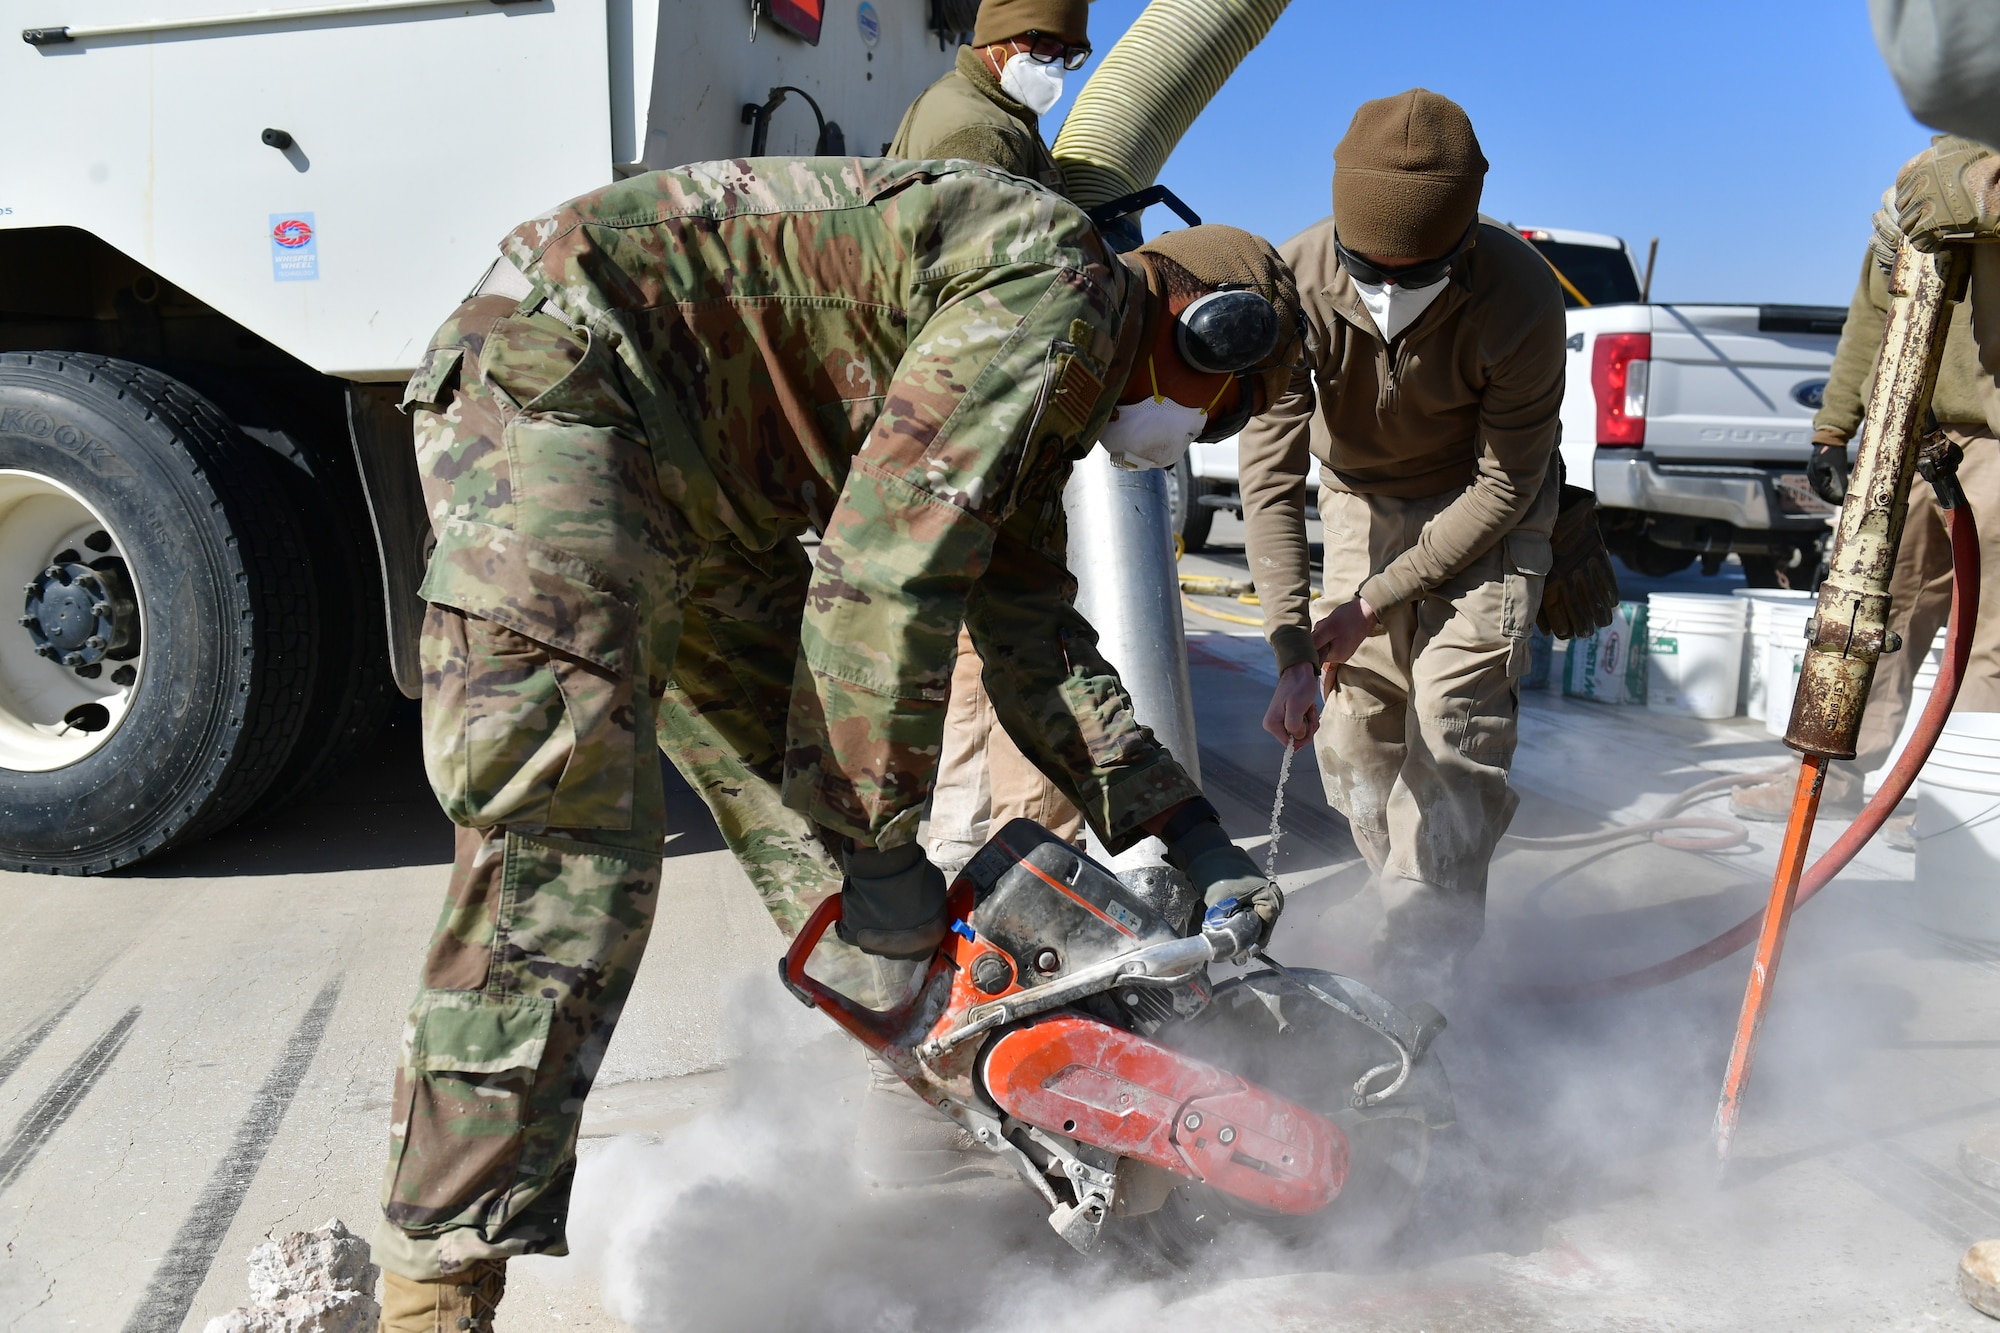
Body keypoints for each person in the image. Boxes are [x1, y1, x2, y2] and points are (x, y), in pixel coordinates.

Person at [373, 156, 1300, 1329]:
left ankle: (1046, 1127)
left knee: (850, 885)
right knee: (566, 854)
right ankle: (436, 1289)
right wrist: (880, 849)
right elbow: (880, 581)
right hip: (565, 397)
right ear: (1208, 338)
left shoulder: (1049, 367)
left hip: (698, 480)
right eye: (1226, 408)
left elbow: (1026, 632)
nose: (1190, 436)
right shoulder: (1055, 293)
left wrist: (1182, 824)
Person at [1240, 89, 1568, 997]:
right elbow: (1268, 477)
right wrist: (1291, 647)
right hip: (1359, 495)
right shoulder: (1294, 283)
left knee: (1451, 722)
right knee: (1354, 734)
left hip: (1489, 500)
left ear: (1460, 246)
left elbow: (1505, 484)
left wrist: (1374, 600)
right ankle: (1406, 903)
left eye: (1413, 272)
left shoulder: (1524, 298)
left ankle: (1422, 976)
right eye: (1367, 270)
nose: (1387, 295)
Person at [889, 0, 1095, 872]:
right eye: (1044, 48)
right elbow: (985, 307)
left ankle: (961, 854)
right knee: (1011, 642)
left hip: (952, 424)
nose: (1053, 65)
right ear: (1001, 40)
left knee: (972, 653)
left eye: (1069, 53)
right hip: (971, 419)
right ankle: (1020, 862)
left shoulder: (987, 114)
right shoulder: (977, 134)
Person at [1729, 215, 2000, 838]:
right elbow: (1871, 319)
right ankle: (1830, 782)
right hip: (1914, 429)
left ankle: (1961, 809)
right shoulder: (1918, 200)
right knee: (1876, 613)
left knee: (1985, 633)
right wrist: (1833, 428)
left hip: (1992, 436)